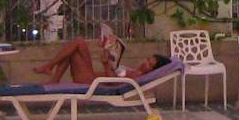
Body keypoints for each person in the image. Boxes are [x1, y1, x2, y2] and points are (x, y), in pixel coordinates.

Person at [32, 26, 164, 86]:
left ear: (153, 70)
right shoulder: (135, 71)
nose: (145, 62)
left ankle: (49, 68)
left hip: (90, 81)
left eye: (150, 64)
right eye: (148, 59)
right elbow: (115, 74)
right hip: (91, 76)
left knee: (79, 42)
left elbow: (113, 82)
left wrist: (106, 63)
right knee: (74, 47)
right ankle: (53, 75)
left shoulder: (137, 77)